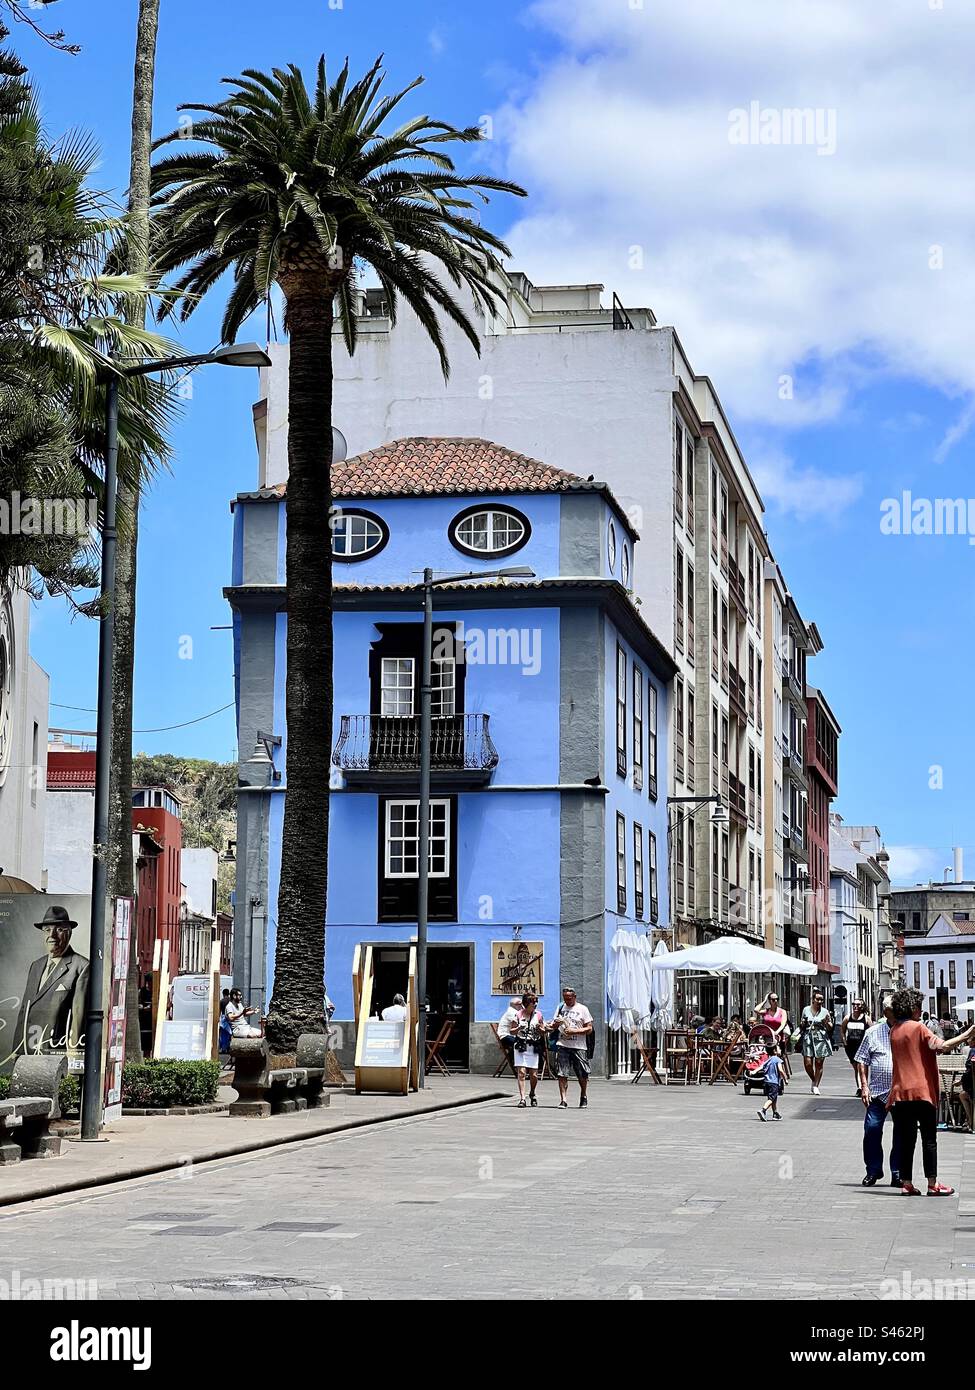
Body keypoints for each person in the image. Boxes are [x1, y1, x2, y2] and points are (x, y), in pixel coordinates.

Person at [887, 986, 975, 1196]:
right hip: (922, 1091)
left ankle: (906, 1183)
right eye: (919, 1006)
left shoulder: (894, 1030)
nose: (920, 1010)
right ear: (913, 1007)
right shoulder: (918, 1028)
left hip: (900, 1092)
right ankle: (932, 1184)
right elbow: (941, 1046)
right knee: (929, 1138)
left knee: (907, 1140)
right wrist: (965, 1036)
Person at [12, 905, 89, 1059]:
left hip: (54, 1052)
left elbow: (78, 1017)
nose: (52, 935)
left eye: (59, 929)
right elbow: (25, 1010)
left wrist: (73, 1057)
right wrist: (17, 1049)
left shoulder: (81, 966)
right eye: (47, 930)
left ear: (69, 932)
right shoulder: (36, 965)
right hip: (28, 1050)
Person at [854, 1000, 901, 1187]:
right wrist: (864, 1086)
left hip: (900, 1093)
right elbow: (862, 1060)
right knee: (872, 1130)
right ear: (886, 1011)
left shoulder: (906, 1031)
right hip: (877, 1092)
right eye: (893, 1009)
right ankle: (873, 1170)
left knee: (901, 1134)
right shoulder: (872, 1032)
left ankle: (897, 1172)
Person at [548, 986, 593, 1109]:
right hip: (563, 1044)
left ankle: (583, 1095)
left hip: (579, 1046)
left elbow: (589, 1028)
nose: (567, 1001)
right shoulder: (560, 1007)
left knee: (582, 1074)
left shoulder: (583, 1009)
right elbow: (554, 1025)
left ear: (574, 997)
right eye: (565, 998)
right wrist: (555, 1024)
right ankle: (563, 1099)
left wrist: (575, 1031)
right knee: (562, 1073)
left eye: (569, 998)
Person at [509, 991, 545, 1107]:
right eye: (532, 1002)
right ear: (526, 1004)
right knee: (522, 1073)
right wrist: (519, 1027)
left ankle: (532, 1093)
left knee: (534, 1075)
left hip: (533, 1046)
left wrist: (541, 1029)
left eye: (536, 1002)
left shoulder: (538, 1015)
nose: (535, 1005)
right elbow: (511, 1031)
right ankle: (522, 1098)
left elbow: (543, 1030)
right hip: (521, 1045)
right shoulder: (518, 1015)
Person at [799, 991, 833, 1094]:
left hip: (820, 1038)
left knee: (819, 1063)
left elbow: (830, 1027)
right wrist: (803, 1023)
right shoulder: (806, 1010)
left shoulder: (825, 1011)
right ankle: (814, 1080)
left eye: (821, 999)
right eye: (818, 999)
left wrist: (826, 1023)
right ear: (813, 999)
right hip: (808, 1037)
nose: (820, 1001)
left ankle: (816, 1085)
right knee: (808, 1063)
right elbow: (802, 1025)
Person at [841, 998, 871, 1095]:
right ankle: (861, 1086)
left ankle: (861, 1087)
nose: (855, 1006)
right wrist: (844, 1042)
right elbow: (842, 1030)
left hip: (862, 1046)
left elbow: (872, 1031)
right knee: (856, 1067)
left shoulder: (866, 1018)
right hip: (851, 1047)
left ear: (862, 1006)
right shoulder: (847, 1018)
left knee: (860, 1066)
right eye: (854, 1004)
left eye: (858, 1004)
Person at [757, 1049, 784, 1121]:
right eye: (779, 1049)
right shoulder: (778, 1060)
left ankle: (775, 1113)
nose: (780, 1050)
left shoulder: (769, 1059)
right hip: (774, 1082)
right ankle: (763, 1110)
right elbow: (780, 1070)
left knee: (773, 1098)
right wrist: (785, 1078)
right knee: (771, 1099)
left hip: (766, 1082)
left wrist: (754, 1071)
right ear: (775, 1051)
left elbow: (762, 1066)